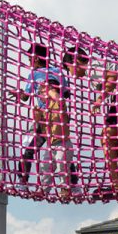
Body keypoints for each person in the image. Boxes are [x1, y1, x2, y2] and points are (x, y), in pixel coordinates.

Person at [16, 43, 78, 187]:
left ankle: (23, 181)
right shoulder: (57, 72)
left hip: (50, 118)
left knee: (34, 149)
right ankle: (73, 184)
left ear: (36, 58)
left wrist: (49, 90)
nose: (28, 61)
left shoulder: (37, 73)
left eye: (29, 58)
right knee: (61, 149)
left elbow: (26, 97)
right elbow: (66, 94)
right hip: (52, 118)